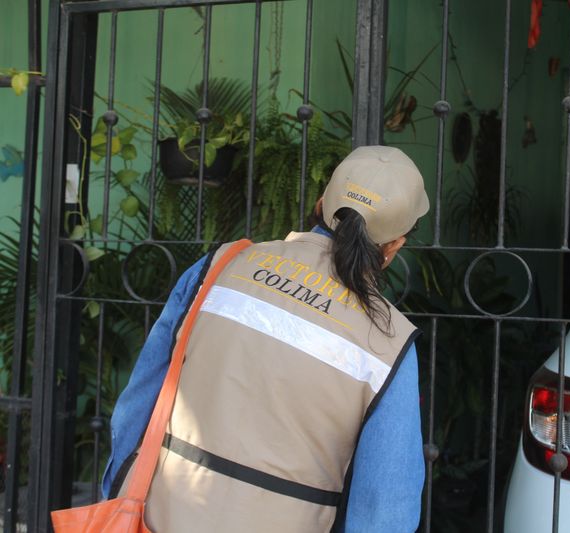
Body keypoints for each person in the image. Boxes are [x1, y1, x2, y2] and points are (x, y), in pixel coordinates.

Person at [101, 145, 429, 532]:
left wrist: (115, 500)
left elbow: (137, 406)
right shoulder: (388, 341)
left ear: (321, 203)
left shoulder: (220, 266)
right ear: (394, 245)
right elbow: (383, 509)